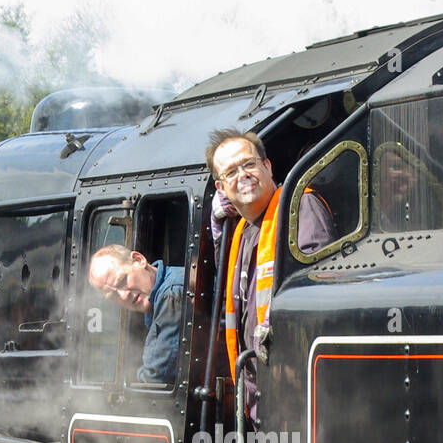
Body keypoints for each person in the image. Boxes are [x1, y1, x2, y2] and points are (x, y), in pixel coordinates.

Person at [206, 129, 334, 420]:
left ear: (267, 166)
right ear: (221, 187)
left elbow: (314, 281)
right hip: (260, 394)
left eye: (249, 164)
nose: (243, 174)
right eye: (231, 172)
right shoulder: (241, 230)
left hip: (296, 389)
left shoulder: (300, 207)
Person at [87, 245, 184, 386]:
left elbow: (158, 376)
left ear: (139, 260)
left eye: (122, 281)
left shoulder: (171, 294)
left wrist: (135, 379)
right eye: (113, 295)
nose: (124, 295)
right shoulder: (159, 302)